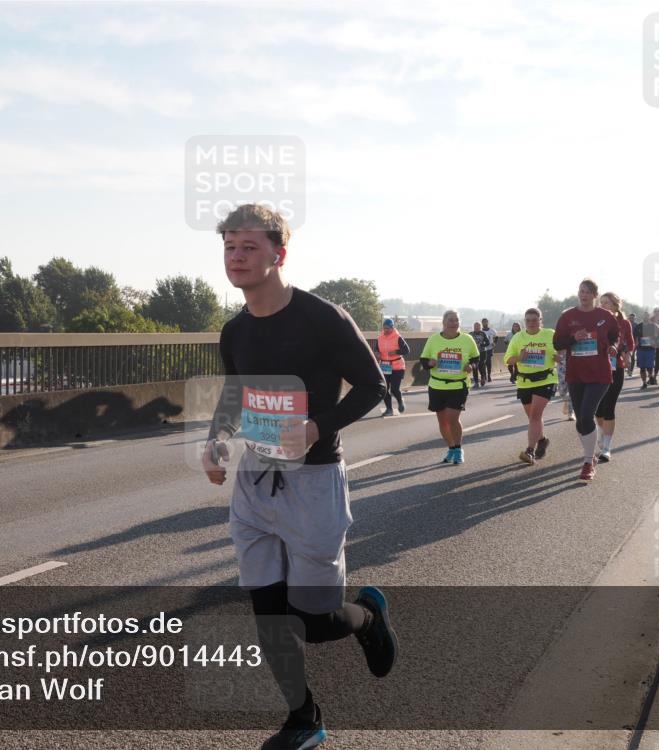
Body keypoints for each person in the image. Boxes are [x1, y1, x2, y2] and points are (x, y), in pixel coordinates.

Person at [202, 204, 396, 750]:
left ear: (278, 254)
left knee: (314, 619)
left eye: (248, 249)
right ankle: (303, 717)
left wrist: (314, 428)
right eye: (229, 248)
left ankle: (367, 617)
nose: (236, 258)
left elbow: (372, 388)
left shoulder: (322, 317)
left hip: (313, 483)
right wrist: (218, 439)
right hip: (255, 483)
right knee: (268, 616)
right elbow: (234, 394)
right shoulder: (235, 329)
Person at [553, 279, 620, 481]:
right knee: (582, 421)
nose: (583, 295)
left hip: (600, 374)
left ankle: (588, 461)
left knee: (586, 414)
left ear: (595, 295)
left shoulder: (605, 316)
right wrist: (575, 338)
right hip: (576, 374)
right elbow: (557, 343)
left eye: (588, 292)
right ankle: (590, 455)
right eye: (581, 291)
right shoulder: (568, 317)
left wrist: (614, 346)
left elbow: (615, 336)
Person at [421, 311, 481, 464]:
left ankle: (459, 448)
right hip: (437, 385)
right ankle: (451, 448)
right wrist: (430, 363)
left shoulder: (467, 339)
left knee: (452, 419)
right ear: (444, 322)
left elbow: (476, 358)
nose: (454, 323)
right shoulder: (434, 339)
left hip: (458, 385)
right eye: (450, 320)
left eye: (456, 320)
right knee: (442, 422)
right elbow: (423, 360)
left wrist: (471, 366)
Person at [505, 308, 557, 465]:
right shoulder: (518, 337)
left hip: (545, 379)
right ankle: (542, 440)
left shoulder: (550, 334)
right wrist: (520, 357)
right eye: (528, 320)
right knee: (533, 417)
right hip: (524, 381)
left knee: (535, 416)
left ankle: (530, 451)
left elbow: (561, 352)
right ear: (524, 322)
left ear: (540, 320)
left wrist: (559, 357)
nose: (531, 323)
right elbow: (508, 360)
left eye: (535, 320)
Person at [594, 292, 634, 462]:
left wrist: (627, 354)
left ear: (616, 305)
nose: (603, 305)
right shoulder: (596, 321)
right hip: (597, 369)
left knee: (609, 407)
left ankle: (607, 447)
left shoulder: (624, 323)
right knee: (598, 410)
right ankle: (602, 434)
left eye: (607, 303)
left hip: (616, 369)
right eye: (601, 302)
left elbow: (630, 343)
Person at [377, 317, 410, 415]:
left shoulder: (398, 337)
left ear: (392, 328)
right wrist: (377, 353)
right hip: (385, 366)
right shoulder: (380, 338)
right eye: (384, 328)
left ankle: (400, 401)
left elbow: (407, 350)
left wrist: (396, 351)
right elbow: (377, 349)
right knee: (385, 389)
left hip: (397, 366)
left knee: (395, 389)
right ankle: (389, 409)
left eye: (388, 328)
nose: (386, 330)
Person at [636, 311, 659, 389]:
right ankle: (644, 383)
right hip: (640, 349)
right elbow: (634, 336)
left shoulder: (654, 326)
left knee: (649, 367)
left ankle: (650, 376)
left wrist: (655, 343)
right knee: (642, 367)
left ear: (649, 317)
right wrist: (635, 344)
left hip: (650, 350)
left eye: (647, 316)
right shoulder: (639, 326)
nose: (645, 317)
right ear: (642, 317)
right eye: (644, 316)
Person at [470, 322, 490, 388]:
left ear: (480, 327)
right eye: (475, 326)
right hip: (473, 353)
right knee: (474, 367)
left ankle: (483, 377)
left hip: (482, 352)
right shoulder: (470, 334)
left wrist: (481, 345)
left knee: (481, 366)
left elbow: (488, 343)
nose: (476, 327)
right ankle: (476, 382)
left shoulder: (483, 334)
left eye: (478, 326)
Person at [481, 318, 497, 382]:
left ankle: (489, 375)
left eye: (486, 322)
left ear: (488, 322)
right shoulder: (480, 331)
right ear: (482, 323)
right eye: (483, 322)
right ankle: (484, 375)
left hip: (489, 348)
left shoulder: (492, 330)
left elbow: (496, 337)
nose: (485, 323)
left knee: (488, 362)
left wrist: (495, 343)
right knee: (483, 363)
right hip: (482, 349)